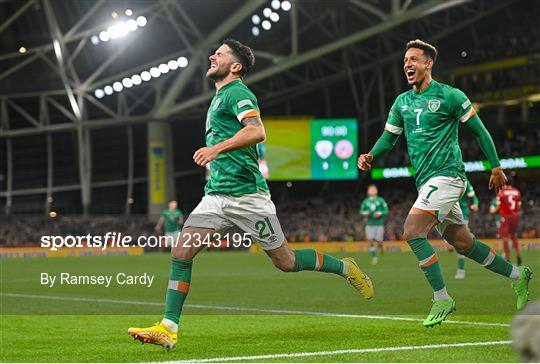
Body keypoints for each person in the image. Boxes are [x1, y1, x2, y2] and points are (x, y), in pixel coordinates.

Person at [128, 39, 374, 349]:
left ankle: (344, 267)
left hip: (248, 198)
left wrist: (215, 149)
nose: (211, 55)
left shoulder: (237, 92)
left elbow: (257, 131)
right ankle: (168, 327)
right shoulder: (219, 97)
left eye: (220, 53)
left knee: (286, 261)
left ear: (236, 66)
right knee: (181, 252)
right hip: (216, 197)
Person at [358, 39, 532, 327]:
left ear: (429, 64)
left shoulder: (451, 96)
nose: (407, 65)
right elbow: (389, 138)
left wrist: (496, 166)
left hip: (448, 176)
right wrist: (371, 155)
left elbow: (480, 131)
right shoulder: (402, 102)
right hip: (426, 180)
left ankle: (442, 298)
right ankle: (518, 275)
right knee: (462, 242)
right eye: (405, 61)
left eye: (414, 59)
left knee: (413, 231)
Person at [453, 179, 479, 279]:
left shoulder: (465, 181)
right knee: (450, 247)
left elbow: (473, 197)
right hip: (446, 215)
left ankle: (461, 270)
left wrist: (475, 204)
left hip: (462, 214)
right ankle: (469, 237)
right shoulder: (442, 177)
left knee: (460, 244)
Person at [496, 176, 523, 265]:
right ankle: (519, 253)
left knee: (505, 238)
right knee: (514, 236)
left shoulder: (502, 192)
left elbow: (498, 205)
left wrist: (496, 211)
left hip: (505, 216)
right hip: (515, 216)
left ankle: (507, 259)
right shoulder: (517, 191)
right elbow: (519, 206)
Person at [360, 184, 388, 265]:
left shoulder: (380, 200)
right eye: (370, 189)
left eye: (374, 189)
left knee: (379, 241)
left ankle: (381, 244)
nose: (372, 190)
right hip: (369, 223)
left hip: (379, 223)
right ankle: (374, 257)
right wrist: (365, 213)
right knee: (370, 240)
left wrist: (380, 213)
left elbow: (386, 210)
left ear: (376, 191)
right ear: (368, 191)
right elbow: (361, 211)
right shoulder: (366, 201)